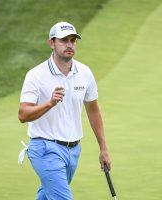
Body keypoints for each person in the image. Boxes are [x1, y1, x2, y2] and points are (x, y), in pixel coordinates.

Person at [18, 21, 111, 200]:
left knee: (46, 196)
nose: (69, 45)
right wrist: (49, 103)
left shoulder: (84, 72)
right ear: (51, 43)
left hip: (73, 151)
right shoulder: (36, 75)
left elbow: (93, 110)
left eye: (73, 40)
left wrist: (103, 148)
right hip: (44, 149)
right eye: (63, 40)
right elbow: (23, 114)